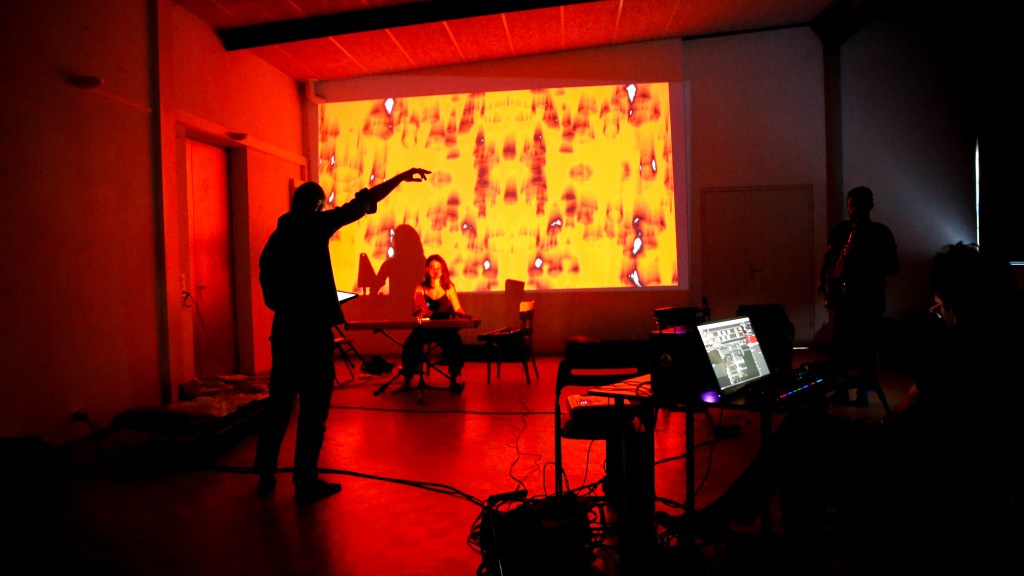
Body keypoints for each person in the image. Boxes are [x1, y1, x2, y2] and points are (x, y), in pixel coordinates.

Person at [659, 242, 1023, 572]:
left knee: (800, 435)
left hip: (916, 477)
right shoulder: (1007, 348)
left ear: (959, 304)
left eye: (940, 308)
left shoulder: (957, 354)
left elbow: (900, 422)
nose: (940, 316)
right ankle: (750, 527)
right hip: (963, 482)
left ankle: (760, 534)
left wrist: (869, 433)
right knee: (805, 436)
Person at [254, 168, 431, 504]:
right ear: (318, 206)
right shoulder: (314, 225)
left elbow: (269, 291)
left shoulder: (276, 239)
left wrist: (290, 306)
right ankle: (305, 481)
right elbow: (361, 203)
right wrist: (400, 177)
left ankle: (265, 473)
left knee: (279, 405)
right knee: (313, 410)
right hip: (312, 334)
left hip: (285, 331)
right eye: (323, 207)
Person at [818, 186, 899, 406]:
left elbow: (894, 266)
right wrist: (822, 279)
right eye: (851, 205)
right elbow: (830, 255)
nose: (854, 210)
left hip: (870, 297)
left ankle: (864, 391)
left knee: (868, 346)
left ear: (870, 206)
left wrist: (867, 265)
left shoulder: (881, 232)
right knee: (840, 346)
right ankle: (841, 390)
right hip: (846, 297)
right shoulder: (842, 229)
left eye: (859, 205)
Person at [400, 254, 470, 393]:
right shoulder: (421, 287)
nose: (435, 270)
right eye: (432, 267)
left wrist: (464, 314)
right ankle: (408, 378)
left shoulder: (449, 287)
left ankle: (453, 379)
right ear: (427, 269)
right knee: (410, 345)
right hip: (425, 329)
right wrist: (419, 311)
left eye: (438, 267)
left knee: (456, 345)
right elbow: (418, 310)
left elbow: (457, 308)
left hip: (444, 329)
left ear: (442, 270)